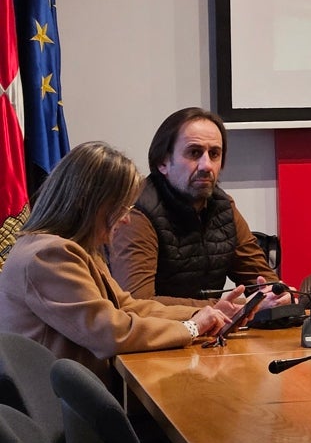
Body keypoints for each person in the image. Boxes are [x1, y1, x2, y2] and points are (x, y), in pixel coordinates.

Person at [0, 142, 228, 382]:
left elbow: (127, 306)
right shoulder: (48, 255)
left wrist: (203, 313)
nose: (127, 219)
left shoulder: (75, 248)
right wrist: (191, 328)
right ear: (87, 202)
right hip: (57, 408)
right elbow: (110, 332)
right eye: (121, 207)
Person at [107, 108, 287, 310]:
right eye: (194, 153)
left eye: (214, 154)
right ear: (162, 163)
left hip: (209, 335)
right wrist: (222, 308)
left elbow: (263, 282)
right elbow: (137, 305)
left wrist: (275, 296)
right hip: (154, 338)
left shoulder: (223, 206)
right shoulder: (137, 212)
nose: (206, 165)